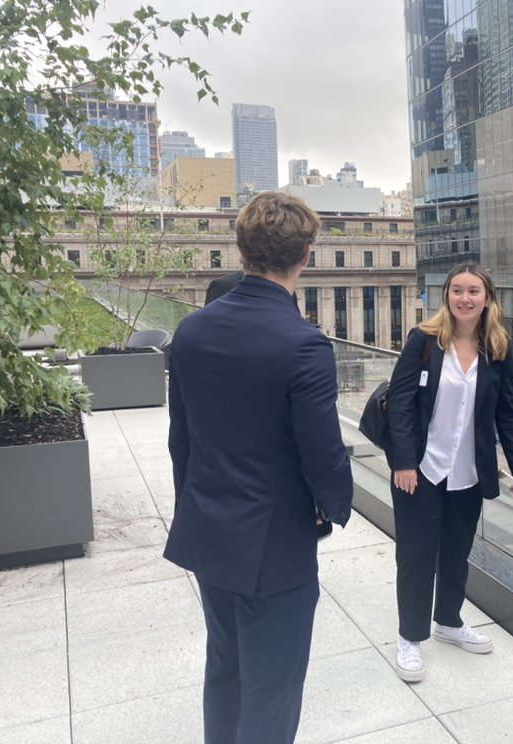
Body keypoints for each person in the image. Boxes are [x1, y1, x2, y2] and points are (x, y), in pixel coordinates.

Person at [164, 192, 353, 744]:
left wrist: (193, 507)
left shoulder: (192, 331)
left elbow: (182, 441)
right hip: (275, 543)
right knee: (272, 689)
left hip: (209, 529)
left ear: (241, 250)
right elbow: (324, 455)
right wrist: (333, 509)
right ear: (307, 254)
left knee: (225, 669)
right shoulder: (303, 344)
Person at [387, 262, 513, 683]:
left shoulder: (498, 347)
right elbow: (399, 404)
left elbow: (506, 411)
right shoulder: (424, 341)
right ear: (446, 296)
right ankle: (409, 637)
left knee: (456, 553)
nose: (464, 299)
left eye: (473, 291)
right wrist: (403, 462)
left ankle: (448, 621)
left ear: (488, 298)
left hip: (469, 473)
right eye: (457, 291)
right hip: (421, 470)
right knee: (416, 556)